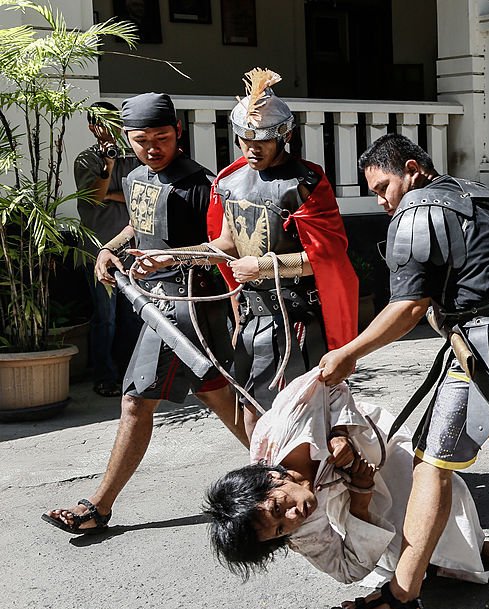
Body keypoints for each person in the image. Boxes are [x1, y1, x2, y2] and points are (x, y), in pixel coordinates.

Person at [318, 133, 489, 609]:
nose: (382, 200)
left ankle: (403, 595)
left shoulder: (416, 211)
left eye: (383, 186)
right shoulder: (480, 195)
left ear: (412, 169)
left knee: (430, 465)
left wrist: (349, 353)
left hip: (485, 348)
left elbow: (408, 307)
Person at [42, 93, 247, 534]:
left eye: (162, 137)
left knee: (135, 400)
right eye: (141, 139)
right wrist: (108, 249)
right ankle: (299, 474)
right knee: (221, 398)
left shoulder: (201, 184)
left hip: (188, 308)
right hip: (153, 304)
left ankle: (98, 506)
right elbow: (139, 223)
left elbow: (225, 248)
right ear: (127, 139)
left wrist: (173, 260)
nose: (152, 147)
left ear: (178, 133)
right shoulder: (134, 178)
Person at [132, 68, 359, 434]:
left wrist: (265, 266)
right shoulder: (229, 180)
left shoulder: (306, 183)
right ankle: (276, 488)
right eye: (245, 140)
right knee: (253, 415)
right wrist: (172, 256)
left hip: (299, 316)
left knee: (309, 420)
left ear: (284, 136)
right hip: (255, 316)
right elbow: (224, 245)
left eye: (263, 141)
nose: (252, 149)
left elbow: (327, 257)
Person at [204, 368, 489, 596]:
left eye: (278, 509)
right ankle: (423, 562)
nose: (295, 517)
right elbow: (347, 569)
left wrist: (340, 432)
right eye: (281, 529)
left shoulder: (284, 423)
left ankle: (472, 547)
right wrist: (361, 503)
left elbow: (331, 382)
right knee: (394, 527)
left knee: (443, 491)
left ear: (272, 479)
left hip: (375, 446)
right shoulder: (300, 532)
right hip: (351, 496)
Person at [74, 101, 143, 397]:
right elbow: (93, 197)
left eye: (113, 122)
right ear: (93, 127)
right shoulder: (85, 159)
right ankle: (104, 377)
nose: (109, 128)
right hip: (96, 248)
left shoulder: (133, 158)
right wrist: (109, 166)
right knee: (106, 317)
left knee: (131, 315)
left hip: (128, 248)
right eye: (102, 123)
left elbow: (137, 198)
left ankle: (130, 373)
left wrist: (113, 195)